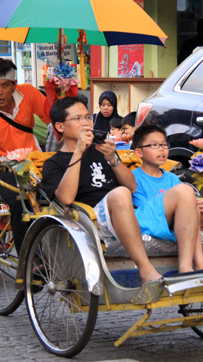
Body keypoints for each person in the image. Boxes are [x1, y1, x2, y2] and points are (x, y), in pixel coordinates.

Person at [41, 96, 162, 284]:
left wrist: (113, 159)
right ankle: (146, 270)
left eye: (87, 117)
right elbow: (65, 198)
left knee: (184, 192)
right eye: (77, 118)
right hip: (91, 219)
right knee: (120, 193)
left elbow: (132, 186)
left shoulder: (101, 151)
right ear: (60, 127)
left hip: (125, 211)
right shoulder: (53, 163)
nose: (85, 123)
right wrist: (78, 152)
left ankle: (194, 270)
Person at [0, 58, 51, 249]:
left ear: (14, 85)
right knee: (20, 201)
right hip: (3, 168)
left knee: (60, 196)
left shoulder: (28, 93)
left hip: (36, 162)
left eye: (5, 85)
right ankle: (27, 261)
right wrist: (9, 160)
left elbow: (54, 119)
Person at [131, 124, 203, 269]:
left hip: (179, 218)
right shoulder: (134, 178)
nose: (161, 149)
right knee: (188, 202)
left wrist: (192, 205)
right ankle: (199, 265)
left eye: (164, 145)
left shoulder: (172, 177)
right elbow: (146, 209)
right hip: (153, 220)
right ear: (139, 152)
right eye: (154, 145)